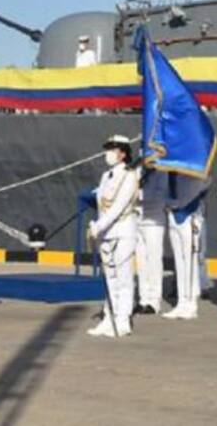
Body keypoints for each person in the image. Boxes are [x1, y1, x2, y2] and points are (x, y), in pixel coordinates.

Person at [87, 134, 139, 338]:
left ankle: (123, 319)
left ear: (122, 153)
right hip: (106, 233)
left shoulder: (129, 175)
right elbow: (102, 202)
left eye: (112, 149)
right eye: (107, 149)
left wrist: (98, 226)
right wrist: (98, 226)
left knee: (124, 277)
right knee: (110, 277)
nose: (107, 153)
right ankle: (109, 317)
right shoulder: (106, 175)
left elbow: (119, 206)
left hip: (123, 231)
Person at [163, 171, 205, 320]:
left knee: (190, 261)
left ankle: (191, 304)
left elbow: (202, 185)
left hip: (188, 216)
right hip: (173, 215)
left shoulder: (193, 171)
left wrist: (178, 204)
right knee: (179, 262)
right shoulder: (171, 173)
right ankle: (181, 302)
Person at [135, 167, 168, 314]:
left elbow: (159, 195)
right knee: (141, 262)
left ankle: (154, 301)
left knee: (154, 260)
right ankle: (143, 298)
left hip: (154, 221)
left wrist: (137, 195)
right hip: (138, 219)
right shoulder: (137, 170)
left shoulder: (161, 171)